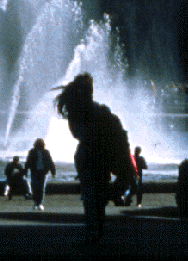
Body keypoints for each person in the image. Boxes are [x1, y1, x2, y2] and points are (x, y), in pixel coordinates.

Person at [55, 73, 134, 244]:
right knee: (94, 196)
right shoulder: (88, 112)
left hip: (92, 156)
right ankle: (95, 229)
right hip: (93, 156)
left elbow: (84, 133)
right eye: (89, 89)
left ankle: (95, 228)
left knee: (94, 196)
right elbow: (84, 133)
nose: (91, 92)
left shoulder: (89, 111)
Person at [25, 138, 56, 210]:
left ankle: (39, 203)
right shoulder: (32, 152)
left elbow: (50, 162)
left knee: (39, 187)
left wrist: (53, 171)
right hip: (36, 171)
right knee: (36, 187)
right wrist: (53, 172)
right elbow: (28, 161)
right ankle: (37, 202)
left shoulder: (45, 152)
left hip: (42, 172)